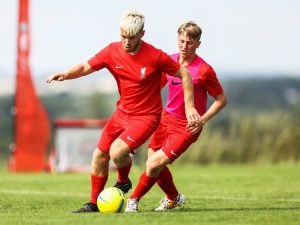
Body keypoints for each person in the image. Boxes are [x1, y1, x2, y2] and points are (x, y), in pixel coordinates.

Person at [46, 11, 200, 213]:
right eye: (123, 36)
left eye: (132, 37)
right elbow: (85, 66)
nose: (126, 42)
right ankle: (93, 204)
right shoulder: (112, 51)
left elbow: (185, 74)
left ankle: (122, 181)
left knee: (117, 151)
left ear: (142, 34)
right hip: (122, 113)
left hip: (147, 116)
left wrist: (190, 107)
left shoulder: (155, 56)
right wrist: (66, 74)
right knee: (99, 155)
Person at [125, 21, 227, 212]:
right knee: (155, 165)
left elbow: (221, 100)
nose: (184, 46)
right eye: (181, 41)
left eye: (189, 42)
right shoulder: (169, 62)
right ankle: (173, 197)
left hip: (187, 126)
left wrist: (202, 120)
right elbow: (155, 89)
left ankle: (133, 200)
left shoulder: (204, 70)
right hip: (165, 120)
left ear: (198, 44)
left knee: (153, 164)